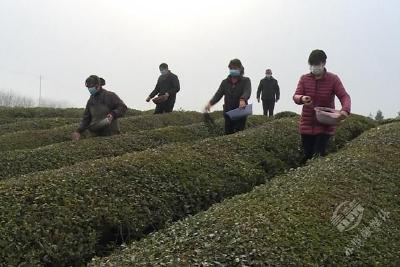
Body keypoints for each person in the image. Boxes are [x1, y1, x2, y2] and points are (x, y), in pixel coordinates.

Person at [293, 49, 351, 162]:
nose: (314, 67)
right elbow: (296, 96)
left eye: (317, 64)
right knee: (307, 156)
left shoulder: (333, 79)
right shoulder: (304, 79)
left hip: (325, 125)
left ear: (323, 63)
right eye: (312, 64)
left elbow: (344, 96)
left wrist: (345, 110)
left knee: (317, 156)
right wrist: (302, 98)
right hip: (307, 124)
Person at [72, 75, 127, 140]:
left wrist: (113, 114)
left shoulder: (110, 96)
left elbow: (122, 107)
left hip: (111, 133)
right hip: (95, 134)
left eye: (91, 87)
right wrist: (78, 131)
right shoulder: (91, 101)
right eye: (88, 87)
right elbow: (86, 119)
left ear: (98, 86)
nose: (90, 89)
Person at [205, 59, 251, 135]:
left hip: (240, 111)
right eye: (231, 68)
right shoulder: (225, 82)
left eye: (235, 68)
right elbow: (218, 94)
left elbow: (247, 91)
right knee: (228, 134)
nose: (233, 70)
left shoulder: (245, 81)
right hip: (228, 112)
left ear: (240, 69)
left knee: (239, 134)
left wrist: (242, 99)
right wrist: (210, 103)